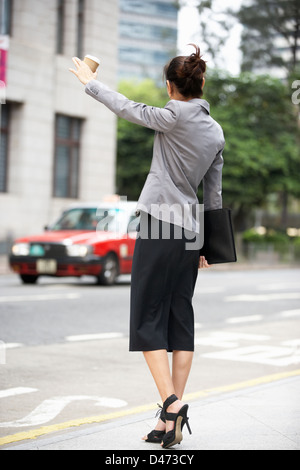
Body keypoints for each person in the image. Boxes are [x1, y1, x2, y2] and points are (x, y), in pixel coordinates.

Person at [70, 44, 225, 448]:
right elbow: (214, 195)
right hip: (191, 232)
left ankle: (171, 405)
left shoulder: (172, 115)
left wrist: (91, 84)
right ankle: (166, 423)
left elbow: (128, 108)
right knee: (180, 318)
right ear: (201, 83)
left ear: (171, 87)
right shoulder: (215, 130)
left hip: (159, 224)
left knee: (146, 317)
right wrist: (209, 244)